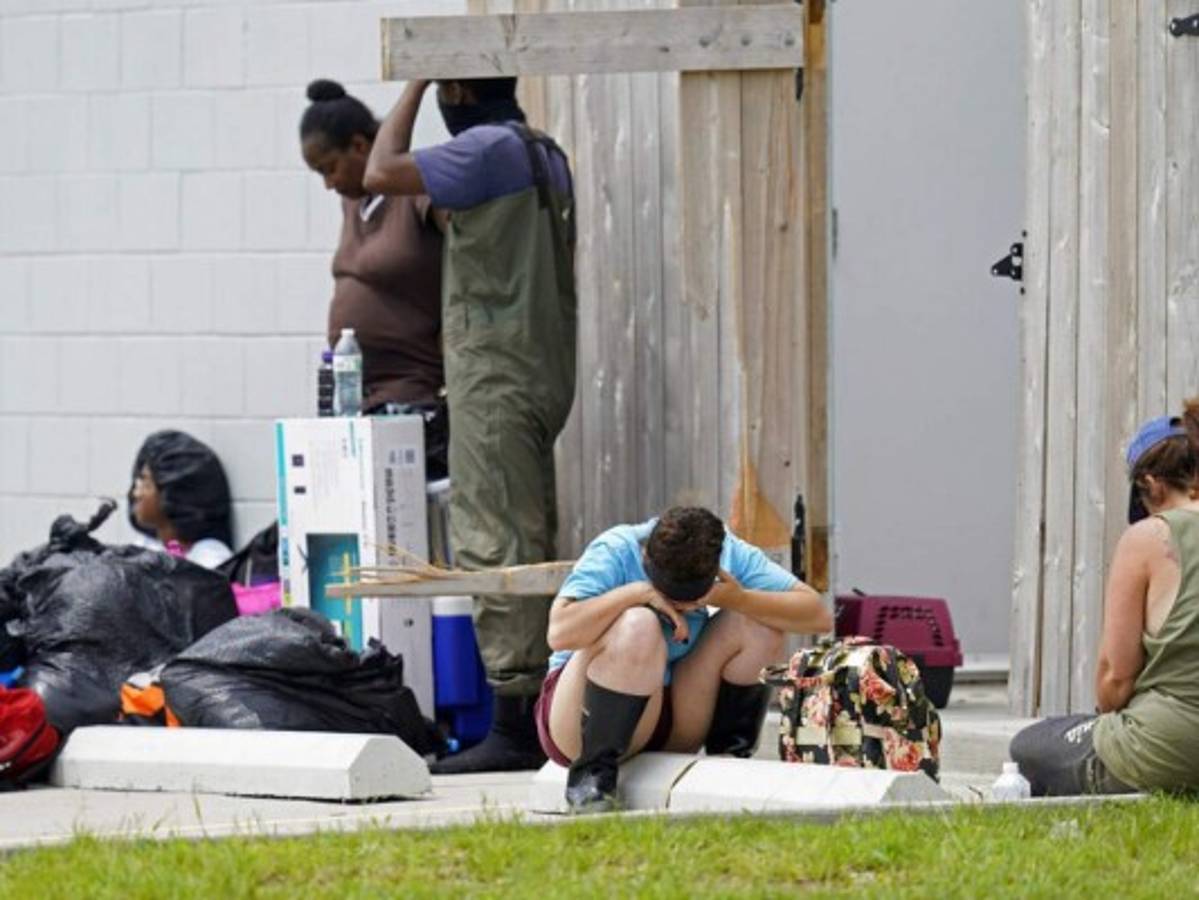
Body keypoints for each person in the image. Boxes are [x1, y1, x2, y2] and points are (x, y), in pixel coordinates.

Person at [363, 77, 577, 773]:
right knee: (525, 533)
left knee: (495, 544)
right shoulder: (543, 152)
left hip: (497, 375)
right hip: (541, 367)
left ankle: (514, 728)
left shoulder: (483, 149)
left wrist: (413, 81)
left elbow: (380, 169)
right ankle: (538, 714)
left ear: (456, 87)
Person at [537, 507, 832, 812]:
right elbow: (559, 632)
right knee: (640, 624)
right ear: (647, 559)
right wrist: (636, 594)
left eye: (691, 601)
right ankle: (592, 779)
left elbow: (818, 615)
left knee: (759, 624)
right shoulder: (617, 548)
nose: (680, 607)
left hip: (672, 714)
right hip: (578, 723)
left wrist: (734, 598)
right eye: (669, 596)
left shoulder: (727, 552)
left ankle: (730, 760)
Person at [1010, 402, 1199, 795]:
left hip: (1172, 749)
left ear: (1152, 485)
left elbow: (1116, 677)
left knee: (1029, 745)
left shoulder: (1150, 537)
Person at [300, 79, 447, 475]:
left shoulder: (417, 191)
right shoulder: (353, 206)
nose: (329, 184)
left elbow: (473, 254)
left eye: (330, 168)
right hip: (357, 402)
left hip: (412, 397)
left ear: (361, 147)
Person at [128, 431, 234, 570]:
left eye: (146, 483)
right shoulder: (145, 547)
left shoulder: (210, 560)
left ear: (174, 493)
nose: (136, 493)